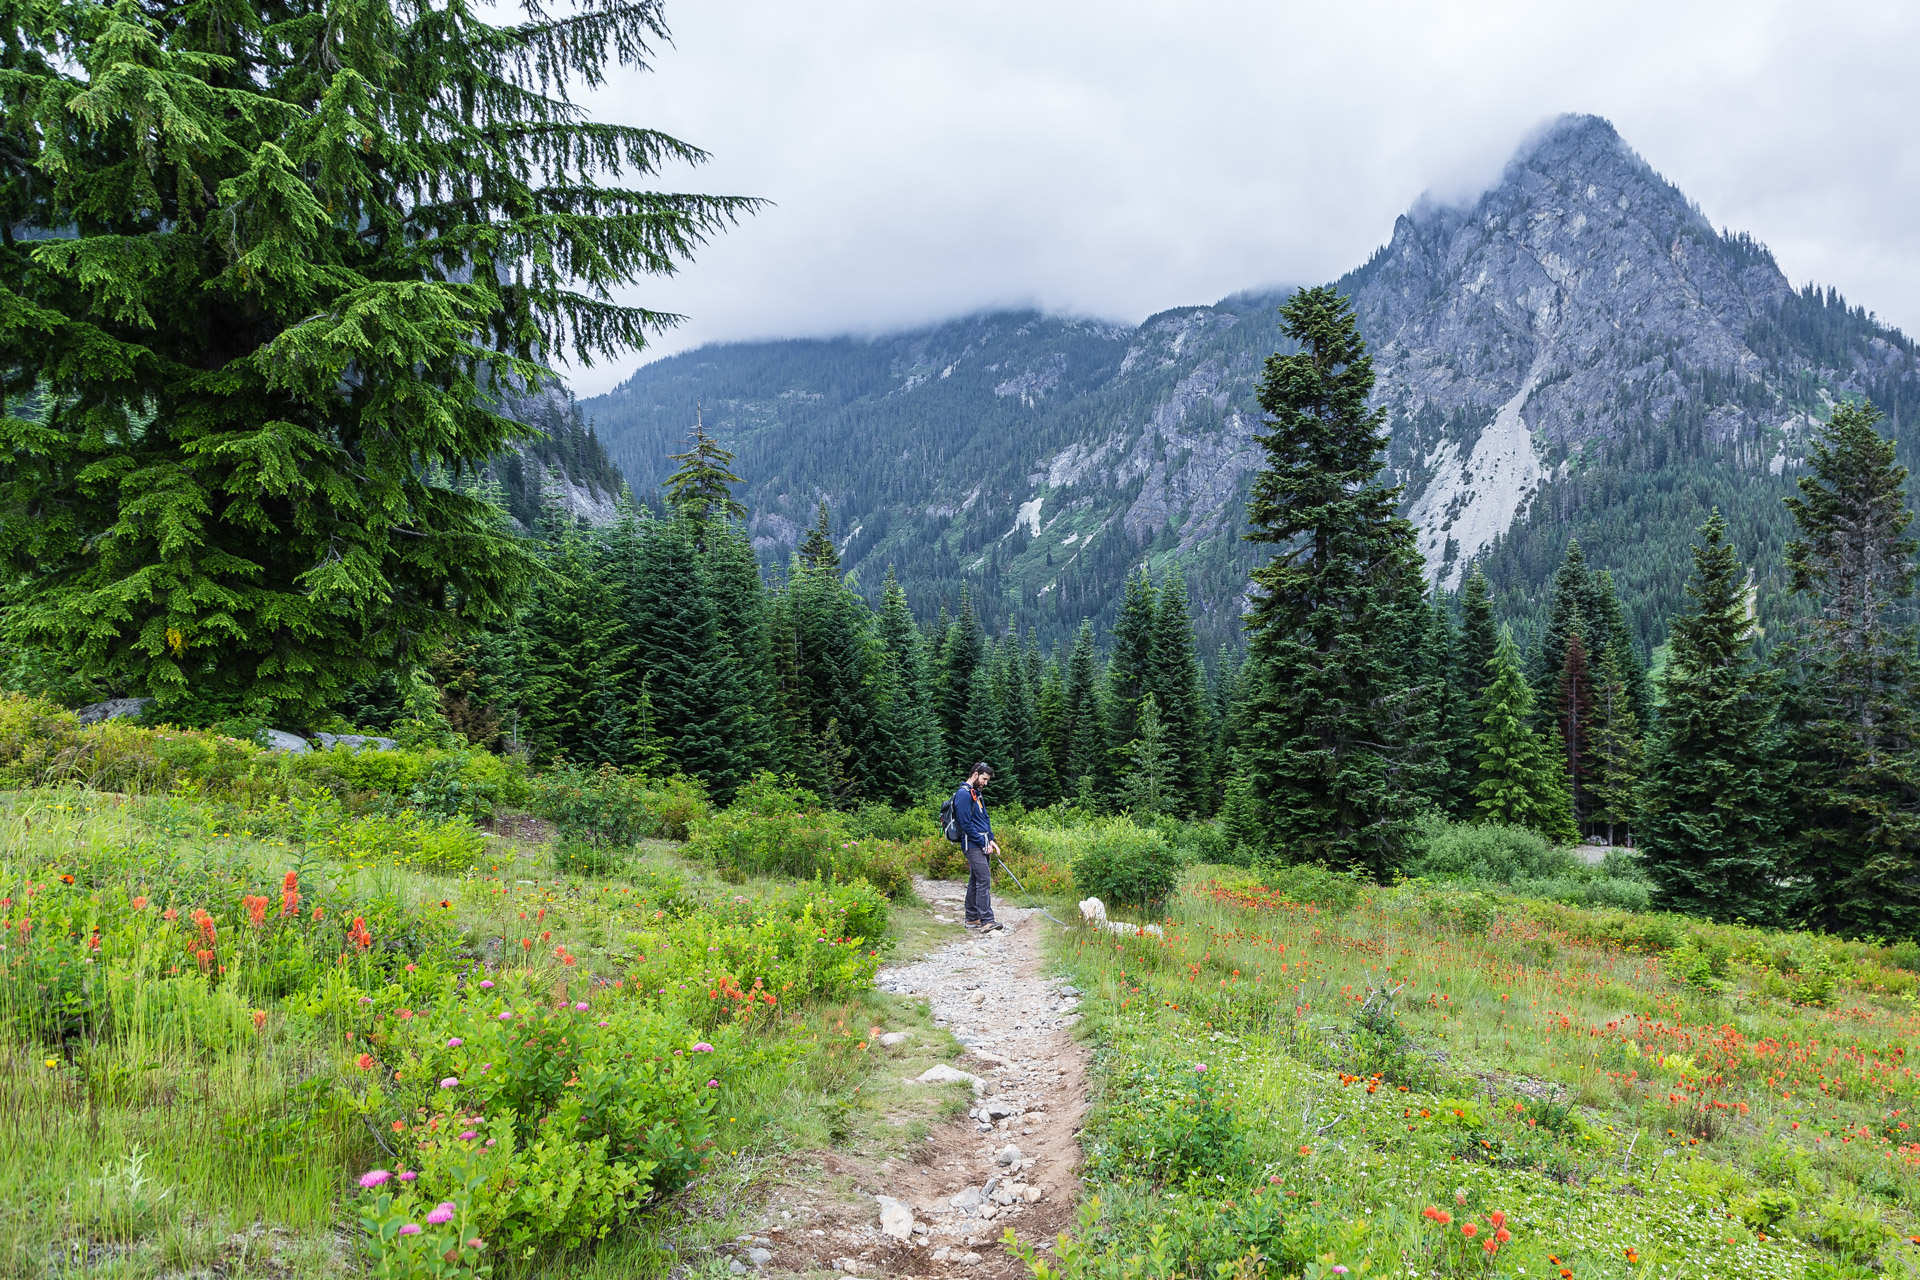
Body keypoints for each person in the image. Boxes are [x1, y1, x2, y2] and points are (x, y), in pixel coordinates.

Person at [952, 762, 1004, 932]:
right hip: (972, 845)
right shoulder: (963, 795)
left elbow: (985, 819)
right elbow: (966, 824)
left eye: (987, 780)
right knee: (984, 879)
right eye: (984, 779)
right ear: (975, 774)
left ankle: (972, 918)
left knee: (975, 880)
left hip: (982, 844)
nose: (985, 783)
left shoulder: (977, 794)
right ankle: (987, 921)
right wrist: (982, 842)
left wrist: (991, 840)